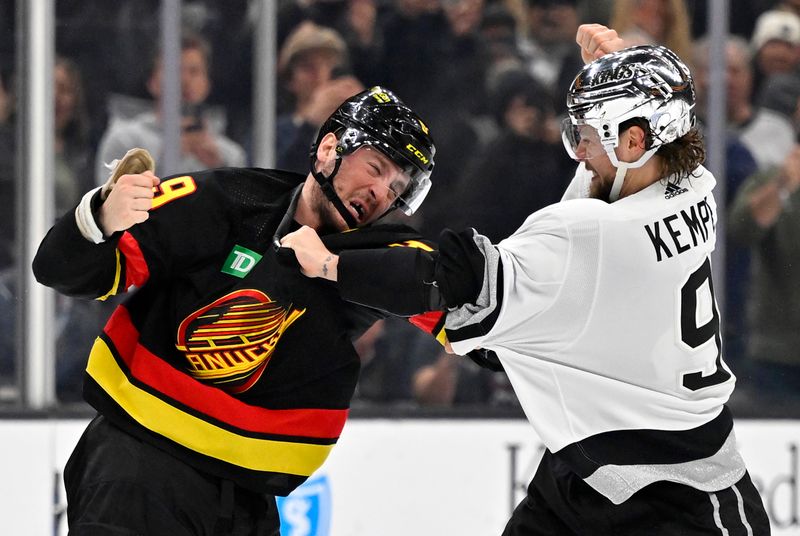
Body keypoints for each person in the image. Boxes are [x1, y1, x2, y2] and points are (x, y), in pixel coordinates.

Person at [281, 28, 771, 534]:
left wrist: (331, 264)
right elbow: (643, 152)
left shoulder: (587, 239)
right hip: (587, 472)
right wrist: (628, 72)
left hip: (676, 500)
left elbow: (451, 282)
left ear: (634, 140)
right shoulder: (693, 186)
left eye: (591, 135)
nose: (579, 152)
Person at [33, 86, 438, 534]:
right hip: (139, 468)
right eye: (376, 167)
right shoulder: (230, 200)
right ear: (329, 149)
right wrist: (99, 220)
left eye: (397, 187)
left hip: (247, 501)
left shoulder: (376, 258)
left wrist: (333, 267)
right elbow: (59, 269)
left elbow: (455, 301)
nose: (381, 191)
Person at [94, 32, 246, 183]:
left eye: (194, 71)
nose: (185, 80)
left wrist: (221, 172)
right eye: (175, 70)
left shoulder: (230, 156)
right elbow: (109, 202)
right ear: (152, 82)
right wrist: (169, 159)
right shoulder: (125, 143)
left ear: (207, 84)